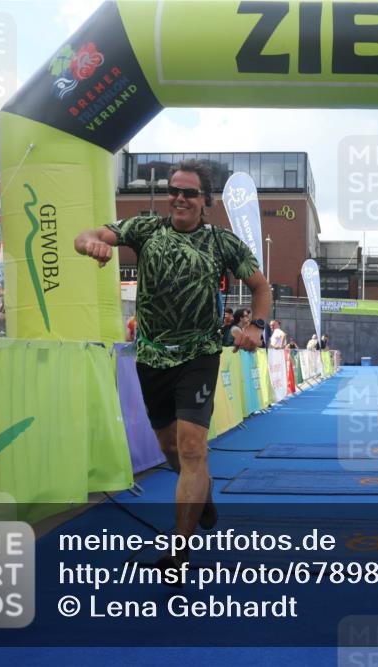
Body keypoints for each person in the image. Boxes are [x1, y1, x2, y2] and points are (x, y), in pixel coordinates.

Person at [74, 159, 272, 580]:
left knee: (192, 448)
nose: (180, 198)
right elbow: (86, 235)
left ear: (206, 201)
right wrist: (92, 243)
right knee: (171, 453)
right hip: (151, 358)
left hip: (199, 354)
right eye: (174, 191)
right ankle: (202, 496)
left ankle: (179, 552)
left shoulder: (223, 242)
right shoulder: (146, 229)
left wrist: (256, 326)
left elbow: (261, 287)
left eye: (190, 193)